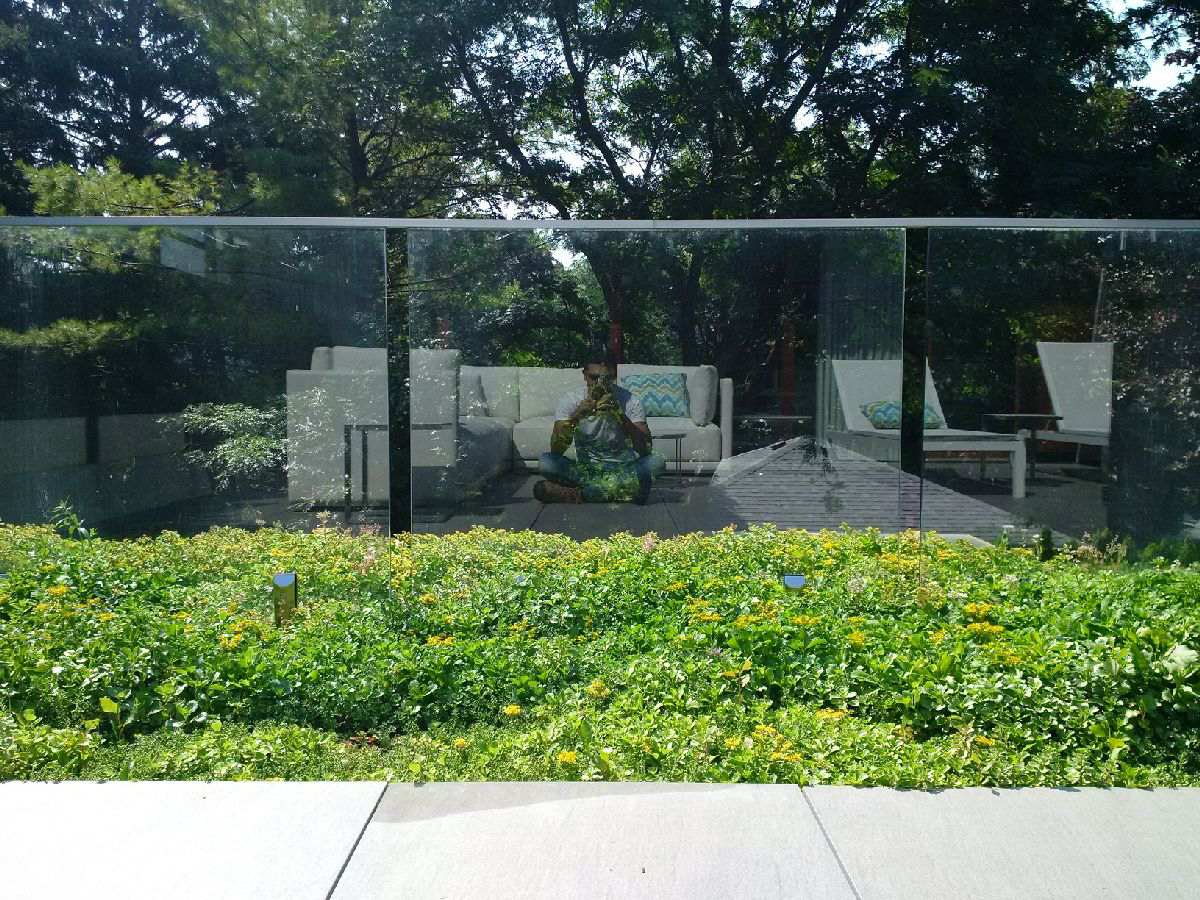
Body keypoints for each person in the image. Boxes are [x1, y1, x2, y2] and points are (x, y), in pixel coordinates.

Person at [534, 347, 666, 503]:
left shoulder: (630, 401)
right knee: (546, 462)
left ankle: (579, 494)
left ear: (615, 377)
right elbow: (556, 450)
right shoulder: (571, 400)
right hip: (586, 469)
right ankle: (624, 491)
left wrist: (621, 417)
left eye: (607, 379)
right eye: (594, 378)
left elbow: (646, 450)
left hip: (623, 469)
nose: (600, 385)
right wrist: (576, 417)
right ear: (584, 375)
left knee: (657, 462)